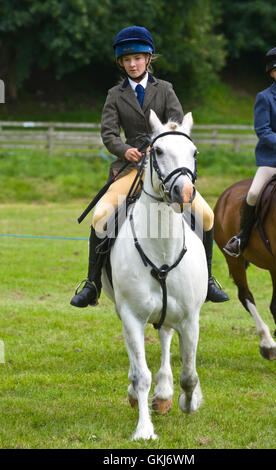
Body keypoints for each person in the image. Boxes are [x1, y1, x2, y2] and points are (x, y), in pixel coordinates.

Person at [70, 26, 229, 308]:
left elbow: (178, 125)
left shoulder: (165, 89)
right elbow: (108, 134)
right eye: (127, 60)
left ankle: (207, 281)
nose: (133, 64)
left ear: (148, 58)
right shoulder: (114, 95)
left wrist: (160, 145)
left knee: (205, 216)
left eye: (138, 58)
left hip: (165, 170)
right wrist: (125, 150)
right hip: (130, 170)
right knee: (100, 217)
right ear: (121, 62)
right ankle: (93, 283)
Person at [223, 46, 276, 258]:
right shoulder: (265, 97)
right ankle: (241, 236)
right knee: (255, 192)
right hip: (274, 158)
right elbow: (263, 130)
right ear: (271, 73)